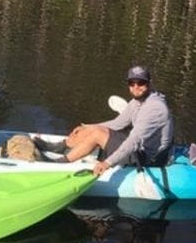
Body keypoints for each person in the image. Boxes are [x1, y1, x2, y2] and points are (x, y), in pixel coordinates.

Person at [35, 65, 173, 176]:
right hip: (140, 147)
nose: (136, 87)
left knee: (97, 134)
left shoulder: (154, 109)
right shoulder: (138, 100)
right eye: (132, 83)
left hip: (149, 157)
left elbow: (133, 141)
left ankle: (60, 164)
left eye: (141, 82)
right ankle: (59, 147)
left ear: (149, 83)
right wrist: (87, 126)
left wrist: (107, 163)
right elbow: (118, 123)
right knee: (95, 130)